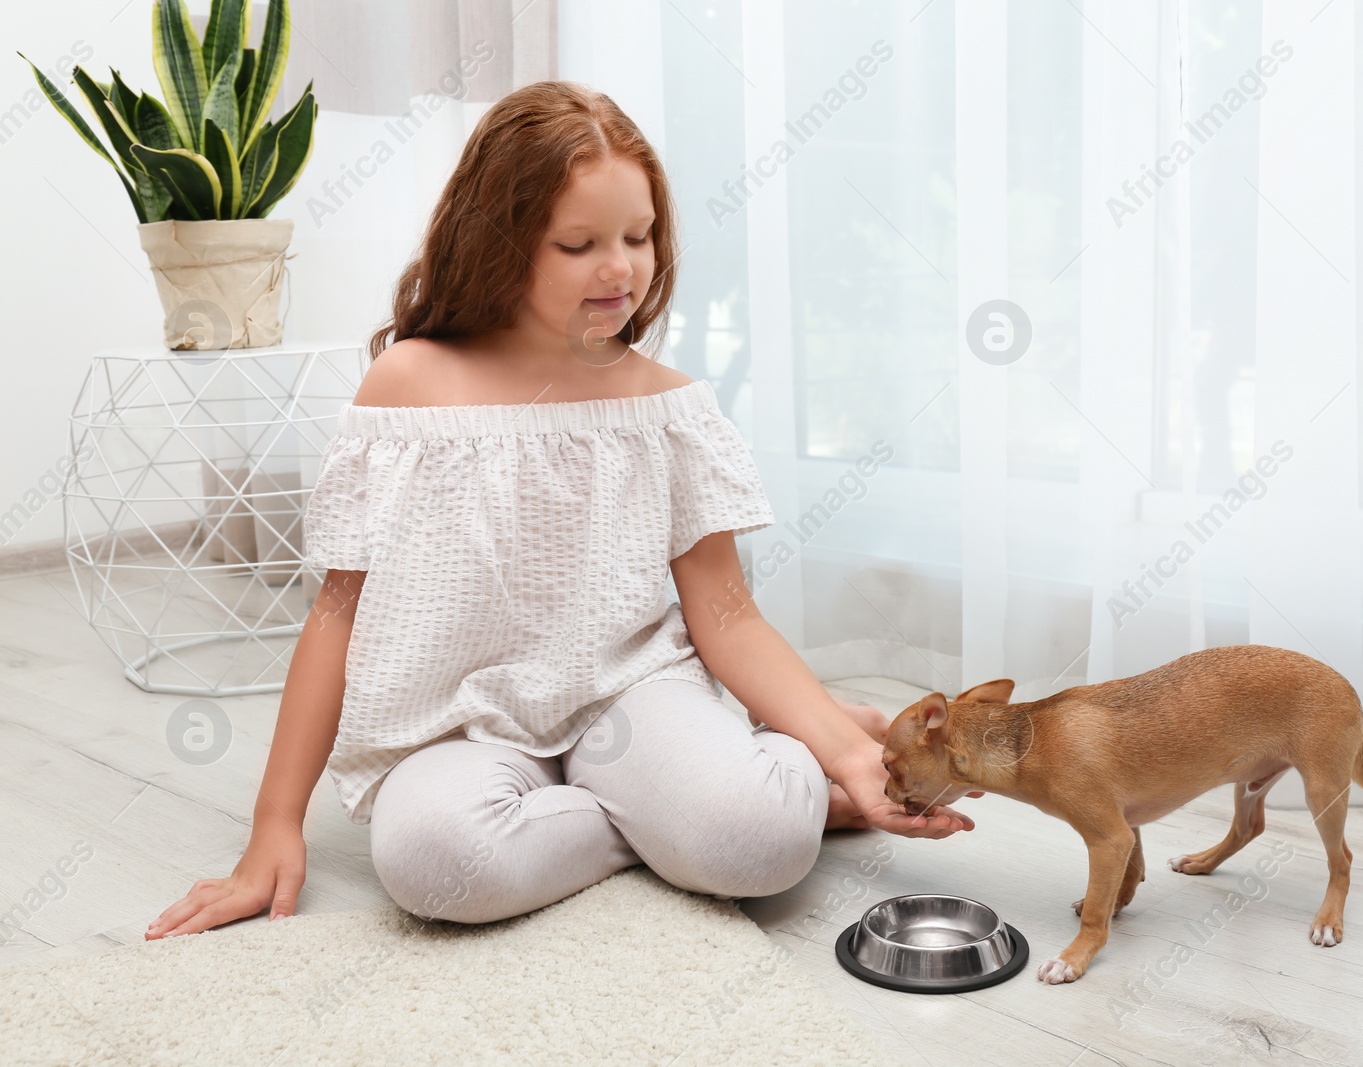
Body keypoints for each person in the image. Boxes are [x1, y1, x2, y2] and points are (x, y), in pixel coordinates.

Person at [146, 80, 977, 939]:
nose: (621, 268)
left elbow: (724, 612)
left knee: (761, 845)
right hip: (465, 723)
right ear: (498, 242)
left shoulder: (667, 405)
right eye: (579, 243)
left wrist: (848, 759)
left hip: (632, 694)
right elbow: (337, 613)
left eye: (640, 235)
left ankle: (787, 756)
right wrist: (273, 826)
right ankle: (680, 810)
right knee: (433, 863)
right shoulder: (410, 387)